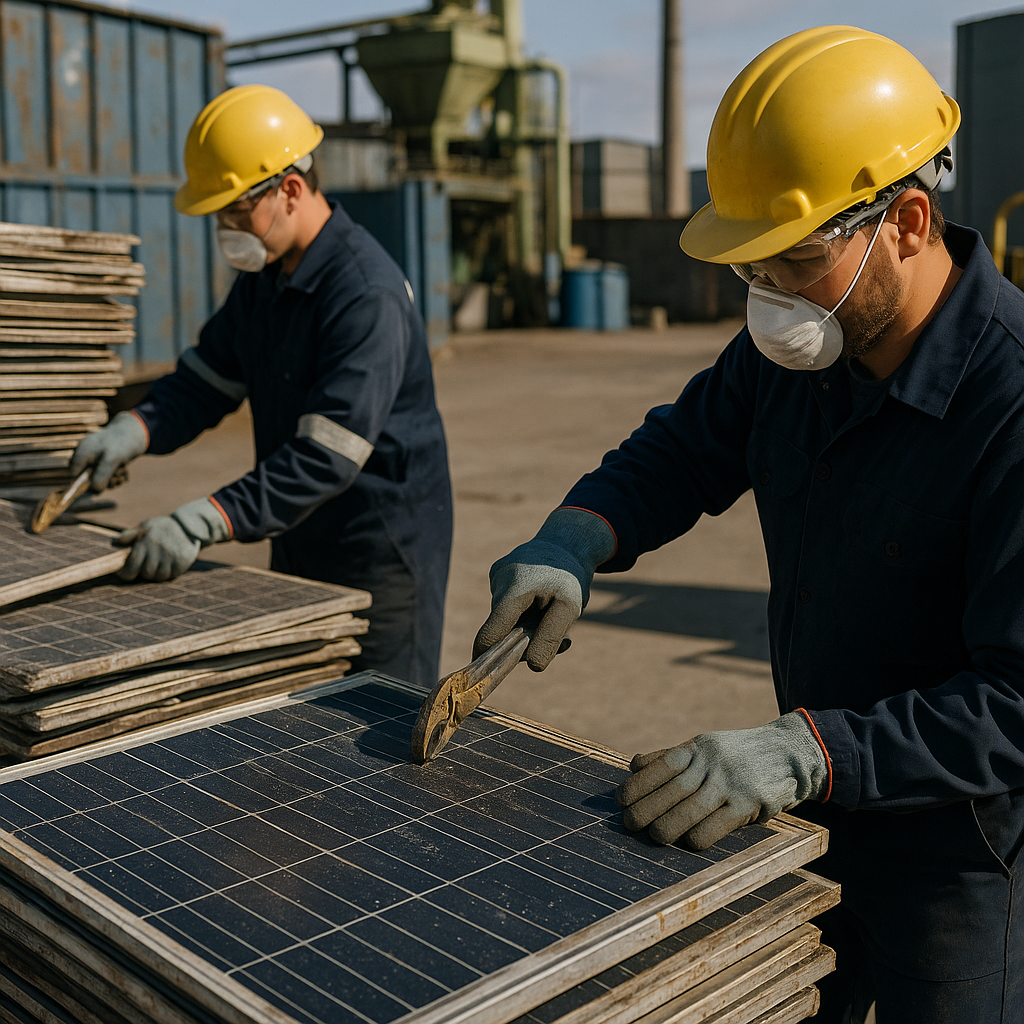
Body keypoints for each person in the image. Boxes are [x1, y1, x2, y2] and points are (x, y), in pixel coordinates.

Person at [473, 26, 1024, 1023]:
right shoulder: (802, 353)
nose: (768, 300)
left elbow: (1015, 701)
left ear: (904, 222)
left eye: (793, 261)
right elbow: (684, 450)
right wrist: (576, 537)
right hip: (802, 814)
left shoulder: (1011, 405)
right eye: (752, 269)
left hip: (952, 863)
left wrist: (808, 750)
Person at [71, 85, 453, 688]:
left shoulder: (363, 295)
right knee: (306, 722)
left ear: (291, 190)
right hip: (300, 535)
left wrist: (205, 519)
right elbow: (206, 380)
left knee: (375, 732)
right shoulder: (267, 281)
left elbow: (325, 457)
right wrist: (135, 428)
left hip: (377, 553)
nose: (225, 229)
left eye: (234, 210)